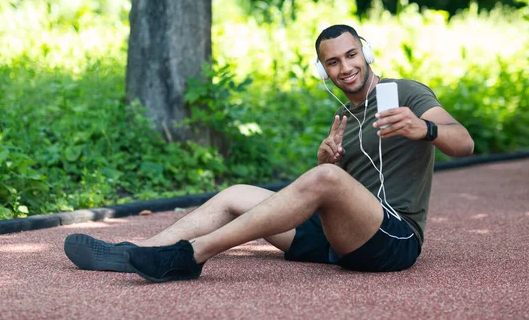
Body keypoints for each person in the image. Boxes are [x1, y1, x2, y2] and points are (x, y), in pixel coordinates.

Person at [64, 24, 474, 282]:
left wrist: (425, 128)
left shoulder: (407, 93)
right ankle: (140, 251)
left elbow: (464, 143)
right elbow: (340, 188)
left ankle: (192, 254)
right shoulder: (344, 114)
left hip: (393, 240)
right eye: (332, 62)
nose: (344, 67)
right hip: (341, 237)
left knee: (326, 181)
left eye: (351, 55)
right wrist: (327, 161)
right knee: (237, 193)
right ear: (323, 71)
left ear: (365, 54)